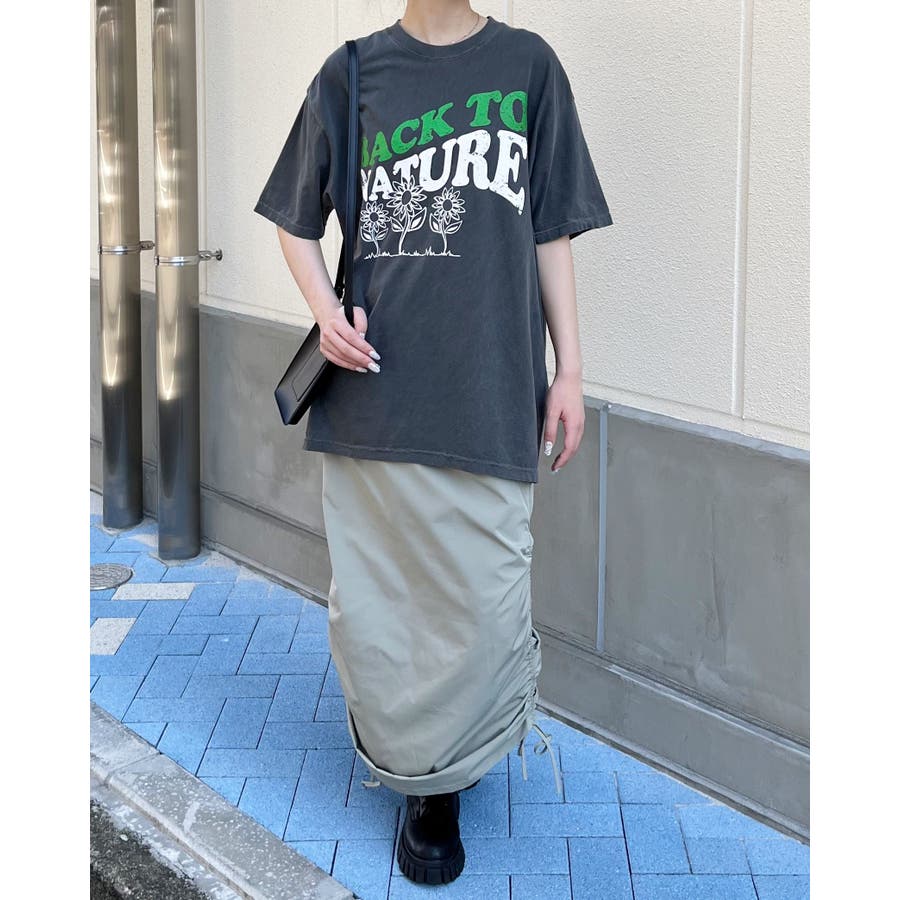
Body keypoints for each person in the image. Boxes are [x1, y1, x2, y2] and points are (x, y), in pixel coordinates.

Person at [253, 0, 613, 885]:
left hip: (489, 393)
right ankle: (424, 786)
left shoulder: (529, 67)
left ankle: (456, 756)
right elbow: (295, 219)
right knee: (384, 610)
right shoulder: (351, 73)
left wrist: (569, 370)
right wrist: (326, 315)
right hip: (377, 398)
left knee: (484, 603)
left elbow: (550, 229)